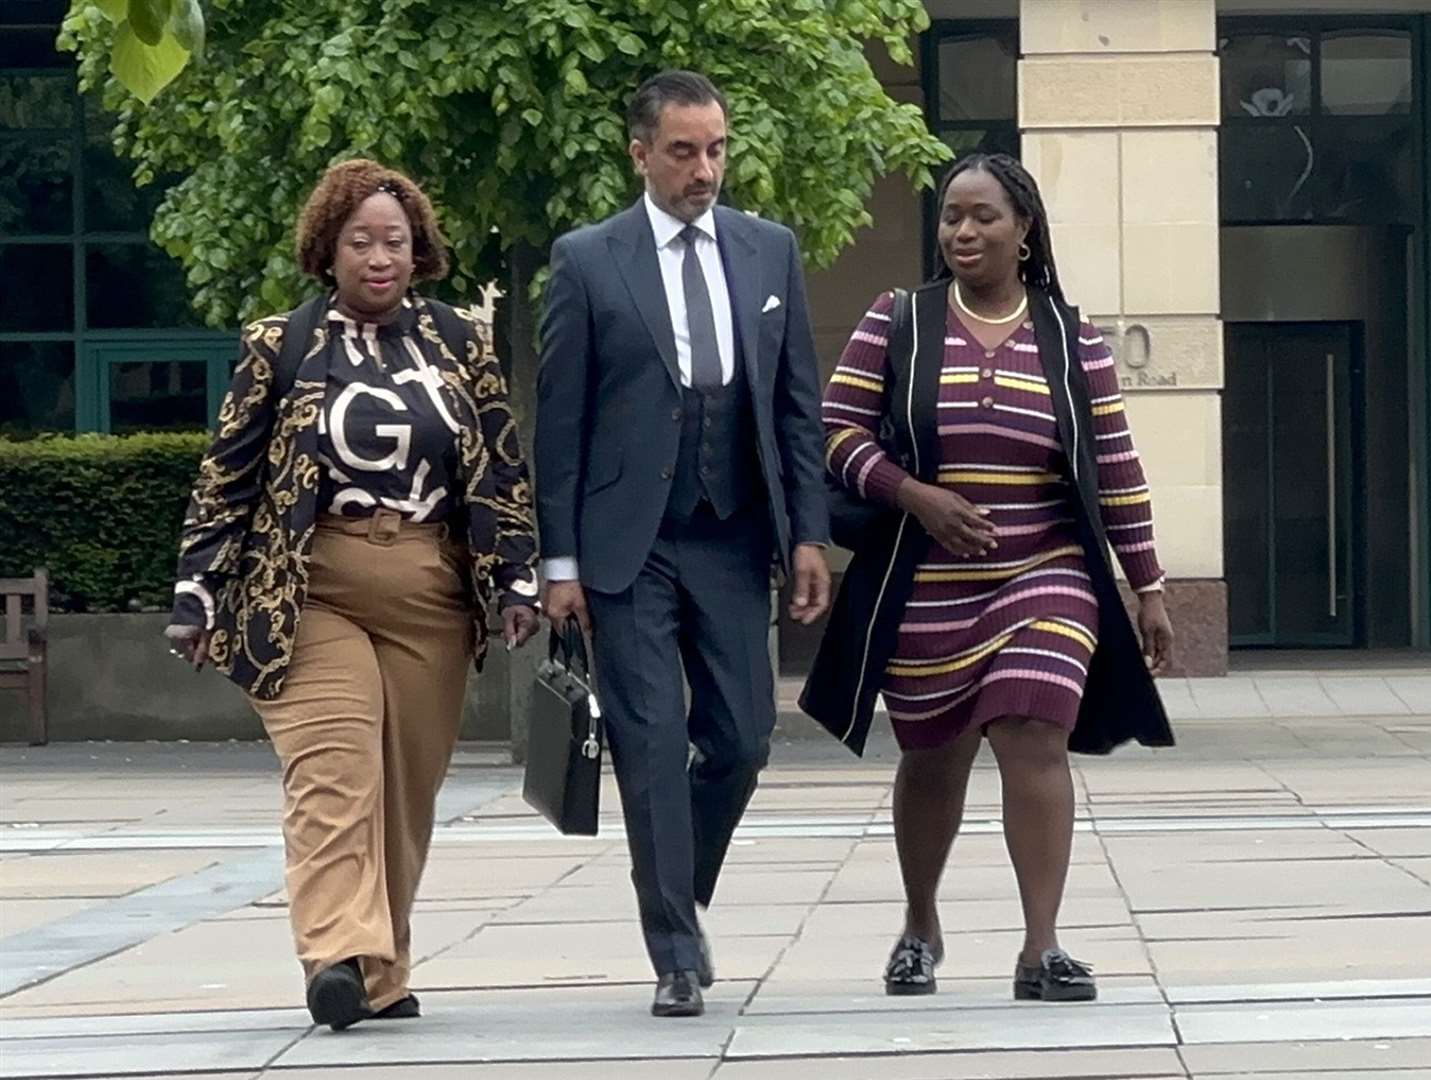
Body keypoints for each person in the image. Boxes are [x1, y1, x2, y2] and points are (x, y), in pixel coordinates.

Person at [164, 159, 541, 1030]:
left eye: (396, 242)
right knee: (335, 773)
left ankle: (382, 970)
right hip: (309, 589)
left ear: (420, 252)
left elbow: (500, 469)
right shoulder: (281, 344)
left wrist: (517, 576)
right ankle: (334, 952)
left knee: (405, 791)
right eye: (360, 241)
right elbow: (226, 477)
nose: (380, 257)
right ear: (326, 252)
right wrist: (198, 592)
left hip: (430, 592)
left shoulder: (458, 343)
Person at [802, 153, 1176, 1003]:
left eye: (983, 217)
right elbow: (833, 431)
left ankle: (1040, 946)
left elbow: (1115, 466)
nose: (963, 233)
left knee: (1032, 730)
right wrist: (915, 495)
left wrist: (1147, 584)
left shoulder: (1071, 340)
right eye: (950, 219)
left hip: (1045, 570)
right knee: (932, 754)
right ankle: (920, 924)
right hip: (925, 578)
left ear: (1024, 229)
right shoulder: (898, 321)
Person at [535, 70, 832, 1018]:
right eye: (682, 151)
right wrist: (559, 565)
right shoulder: (587, 260)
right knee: (651, 743)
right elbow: (560, 425)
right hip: (626, 548)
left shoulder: (769, 251)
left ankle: (680, 888)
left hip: (735, 537)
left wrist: (811, 535)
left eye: (716, 149)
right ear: (640, 153)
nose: (704, 168)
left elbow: (795, 408)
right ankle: (673, 951)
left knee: (742, 740)